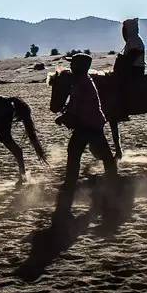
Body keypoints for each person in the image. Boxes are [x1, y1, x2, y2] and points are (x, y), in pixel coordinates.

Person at [53, 54, 118, 221]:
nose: (71, 66)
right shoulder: (83, 81)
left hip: (88, 126)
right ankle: (112, 184)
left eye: (74, 63)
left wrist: (64, 118)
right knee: (103, 156)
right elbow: (75, 107)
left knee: (77, 153)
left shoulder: (81, 84)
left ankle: (71, 185)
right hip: (91, 124)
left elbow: (75, 109)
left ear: (79, 67)